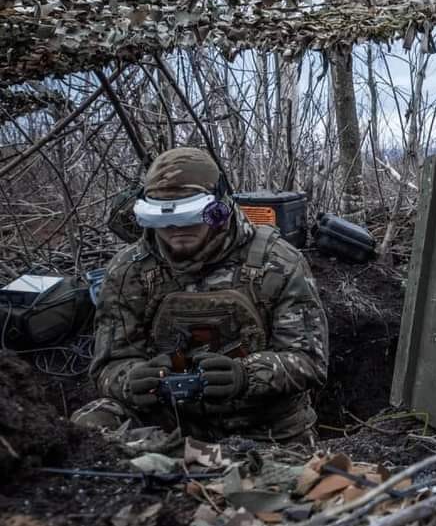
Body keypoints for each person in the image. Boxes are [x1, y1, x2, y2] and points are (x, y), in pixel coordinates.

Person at [72, 148, 329, 444]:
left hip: (265, 427)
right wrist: (131, 380)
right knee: (89, 426)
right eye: (164, 221)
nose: (176, 230)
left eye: (189, 218)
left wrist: (247, 376)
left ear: (218, 209)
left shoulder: (279, 262)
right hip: (168, 421)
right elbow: (107, 366)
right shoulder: (129, 270)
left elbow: (310, 361)